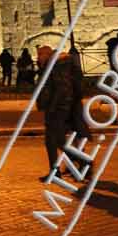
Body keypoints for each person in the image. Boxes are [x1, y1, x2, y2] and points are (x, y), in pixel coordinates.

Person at [35, 45, 79, 181]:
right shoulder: (48, 67)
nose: (38, 58)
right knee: (57, 141)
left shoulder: (53, 67)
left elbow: (61, 88)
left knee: (53, 141)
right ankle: (76, 164)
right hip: (54, 108)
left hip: (56, 109)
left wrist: (53, 107)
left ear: (47, 55)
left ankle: (79, 163)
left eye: (40, 55)